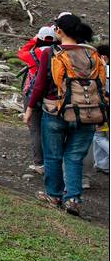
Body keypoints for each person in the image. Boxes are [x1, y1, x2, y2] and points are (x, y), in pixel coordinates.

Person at [26, 14, 107, 216]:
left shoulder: (52, 52)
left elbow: (40, 84)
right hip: (87, 113)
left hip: (55, 110)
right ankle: (73, 198)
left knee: (53, 156)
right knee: (74, 157)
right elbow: (102, 85)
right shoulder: (94, 54)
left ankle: (54, 195)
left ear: (60, 31)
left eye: (55, 28)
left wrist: (29, 108)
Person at [18, 25, 61, 174]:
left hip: (32, 95)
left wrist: (33, 40)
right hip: (53, 96)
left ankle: (40, 164)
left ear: (40, 39)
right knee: (52, 130)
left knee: (35, 130)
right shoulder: (58, 54)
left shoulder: (33, 54)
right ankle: (55, 163)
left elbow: (21, 52)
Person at [93, 44, 110, 174]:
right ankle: (102, 163)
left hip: (103, 108)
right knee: (103, 135)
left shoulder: (104, 70)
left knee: (98, 136)